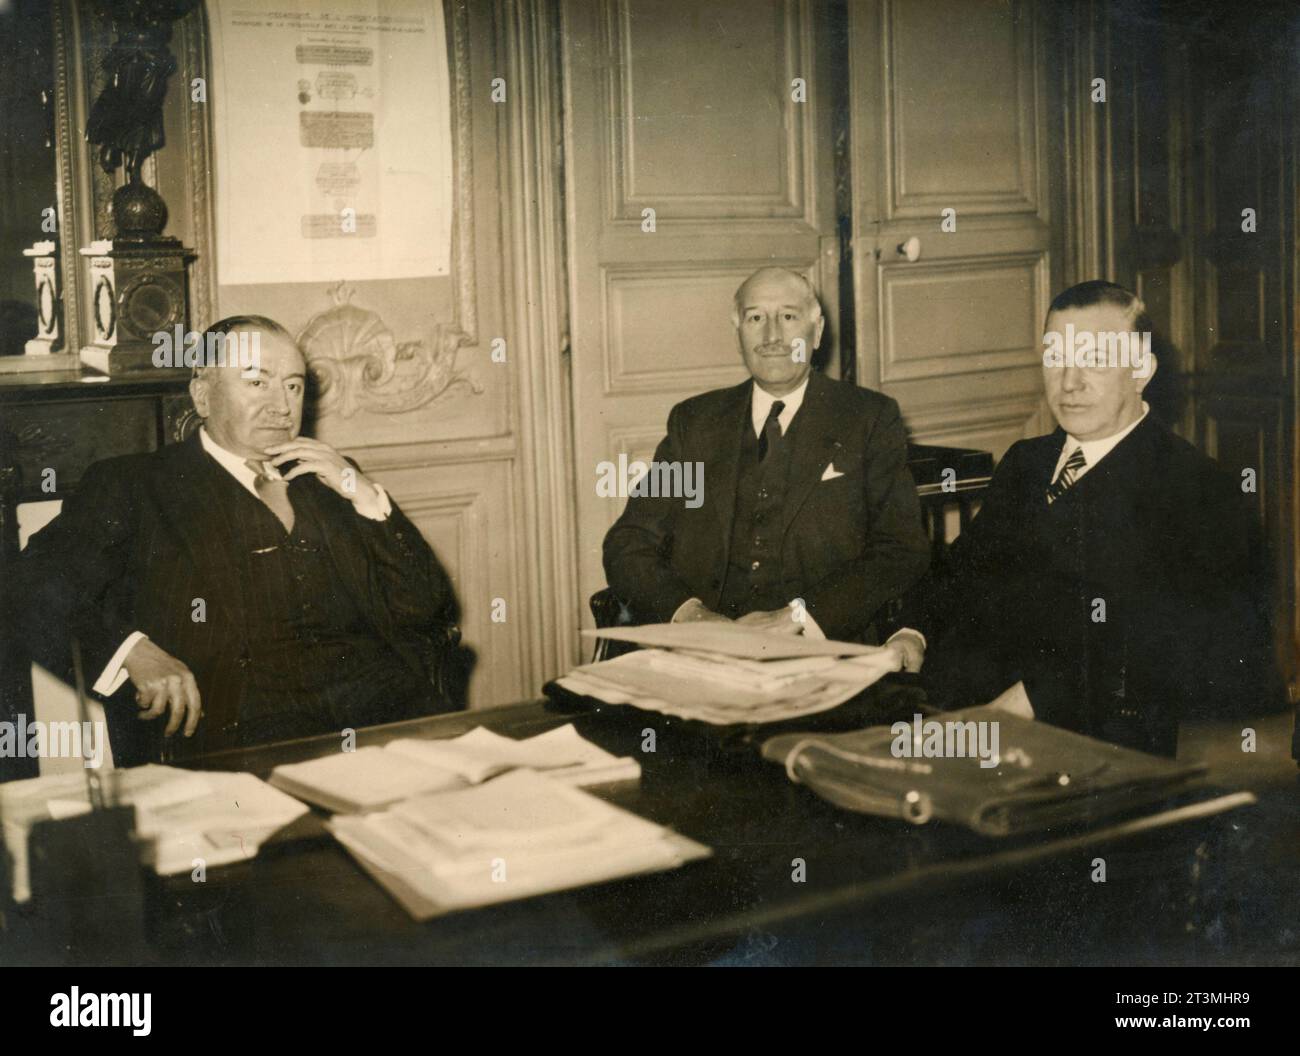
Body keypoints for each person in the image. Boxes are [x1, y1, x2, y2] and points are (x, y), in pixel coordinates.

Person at [13, 315, 463, 765]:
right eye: (257, 383)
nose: (282, 407)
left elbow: (426, 608)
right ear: (203, 395)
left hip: (382, 713)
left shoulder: (331, 477)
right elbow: (28, 587)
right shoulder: (136, 486)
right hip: (238, 731)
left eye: (293, 386)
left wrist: (363, 493)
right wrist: (130, 652)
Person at [886, 281, 1280, 756]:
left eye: (1093, 359)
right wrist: (913, 632)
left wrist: (1017, 708)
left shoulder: (1197, 489)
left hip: (1099, 736)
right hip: (971, 708)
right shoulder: (1027, 462)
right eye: (1057, 358)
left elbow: (1156, 650)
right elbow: (961, 568)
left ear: (1141, 370)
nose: (1069, 382)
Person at [603, 266, 929, 643]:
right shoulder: (695, 423)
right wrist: (694, 616)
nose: (772, 336)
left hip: (823, 647)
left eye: (788, 317)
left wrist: (800, 618)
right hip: (711, 651)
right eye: (755, 317)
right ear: (737, 332)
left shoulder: (868, 419)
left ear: (817, 331)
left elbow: (901, 549)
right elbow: (630, 542)